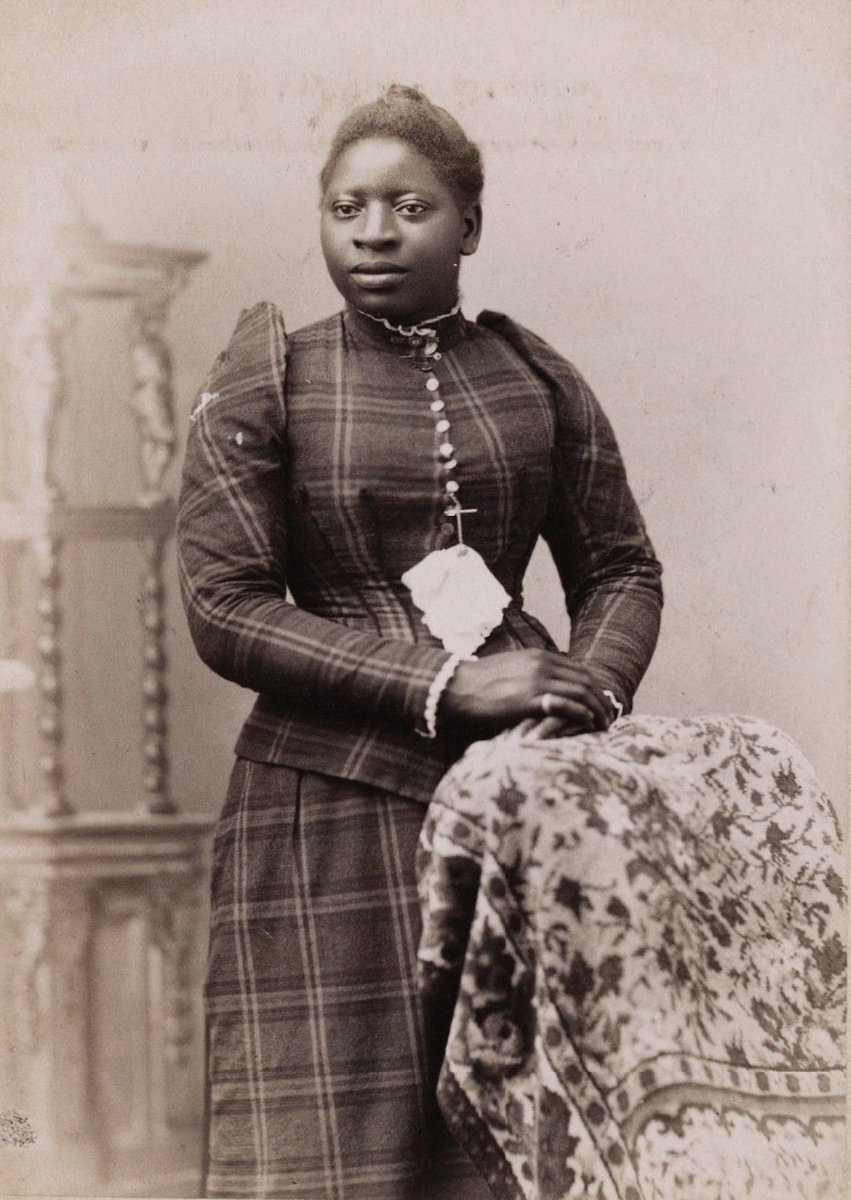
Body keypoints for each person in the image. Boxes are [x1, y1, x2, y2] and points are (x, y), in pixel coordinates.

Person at [177, 84, 663, 1200]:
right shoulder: (271, 376)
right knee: (334, 1155)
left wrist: (578, 689)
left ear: (470, 225)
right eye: (347, 210)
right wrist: (444, 681)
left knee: (515, 1142)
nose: (376, 234)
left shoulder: (532, 375)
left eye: (410, 206)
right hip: (327, 805)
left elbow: (621, 568)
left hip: (521, 798)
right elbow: (225, 604)